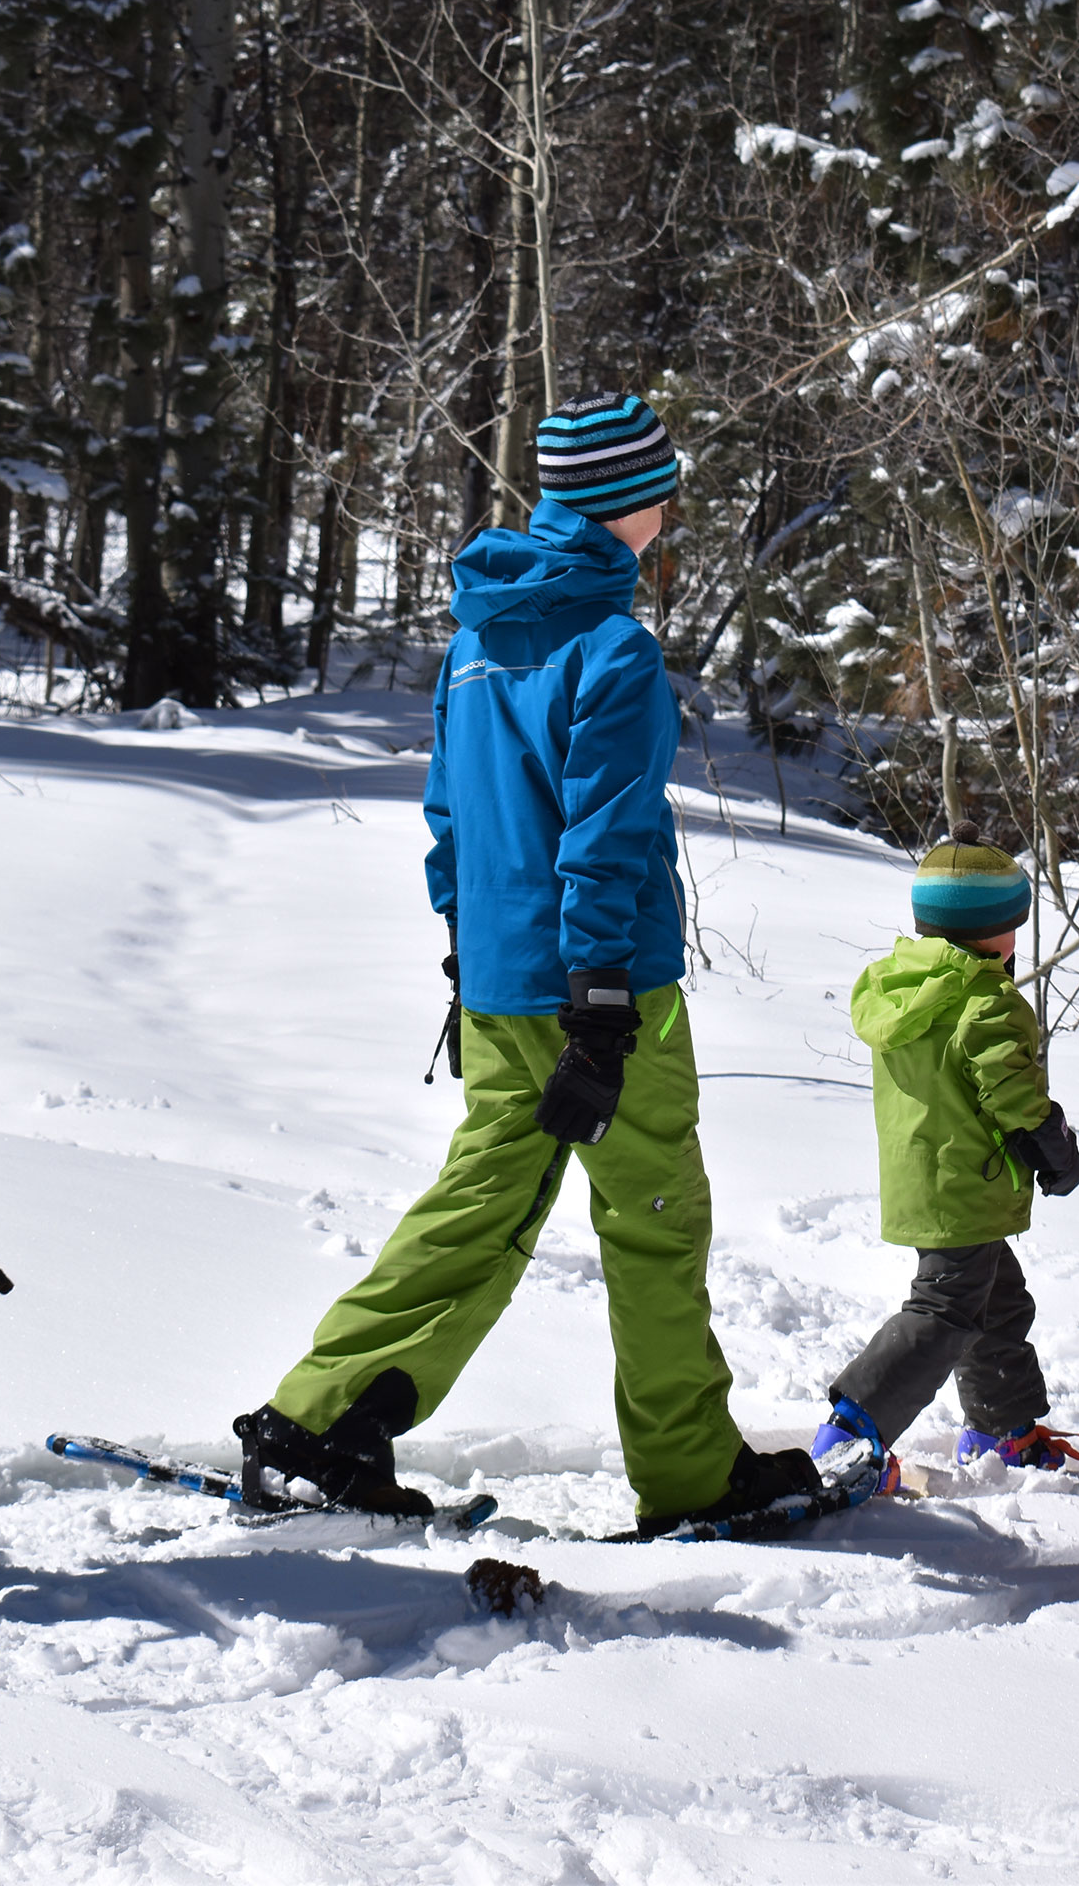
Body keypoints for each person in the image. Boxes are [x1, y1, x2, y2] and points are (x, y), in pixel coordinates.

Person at [237, 391, 820, 1535]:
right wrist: (602, 1006)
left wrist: (469, 953)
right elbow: (603, 838)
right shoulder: (613, 648)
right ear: (628, 505)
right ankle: (695, 1474)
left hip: (503, 984)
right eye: (664, 488)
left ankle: (319, 1422)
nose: (671, 506)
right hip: (609, 991)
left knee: (482, 1205)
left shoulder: (476, 640)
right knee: (654, 1220)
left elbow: (451, 817)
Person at [809, 828, 1079, 1488]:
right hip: (966, 1185)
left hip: (930, 1180)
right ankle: (852, 1430)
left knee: (995, 1302)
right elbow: (1011, 1093)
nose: (1016, 942)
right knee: (944, 1312)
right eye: (1011, 927)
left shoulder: (900, 988)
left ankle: (1003, 1431)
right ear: (992, 931)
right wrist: (1052, 1141)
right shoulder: (987, 1003)